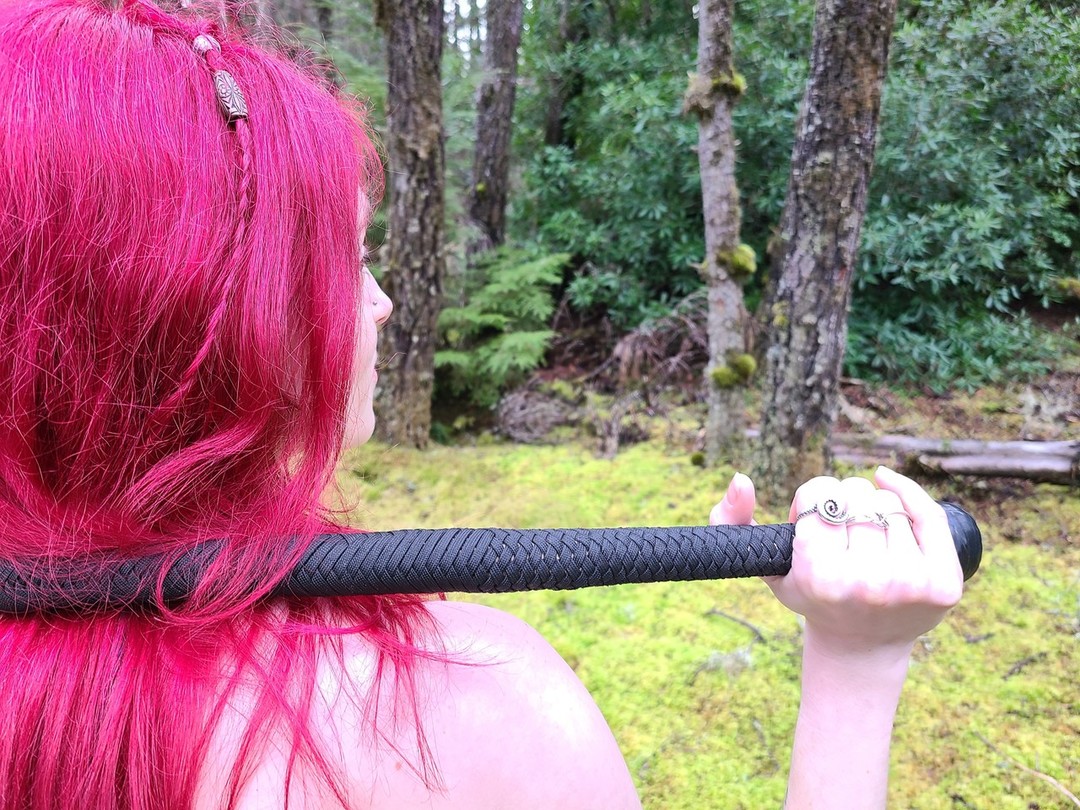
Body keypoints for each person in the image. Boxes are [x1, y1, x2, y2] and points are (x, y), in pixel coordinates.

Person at [0, 1, 965, 808]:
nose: (381, 301)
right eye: (350, 256)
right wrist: (856, 664)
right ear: (204, 309)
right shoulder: (474, 715)